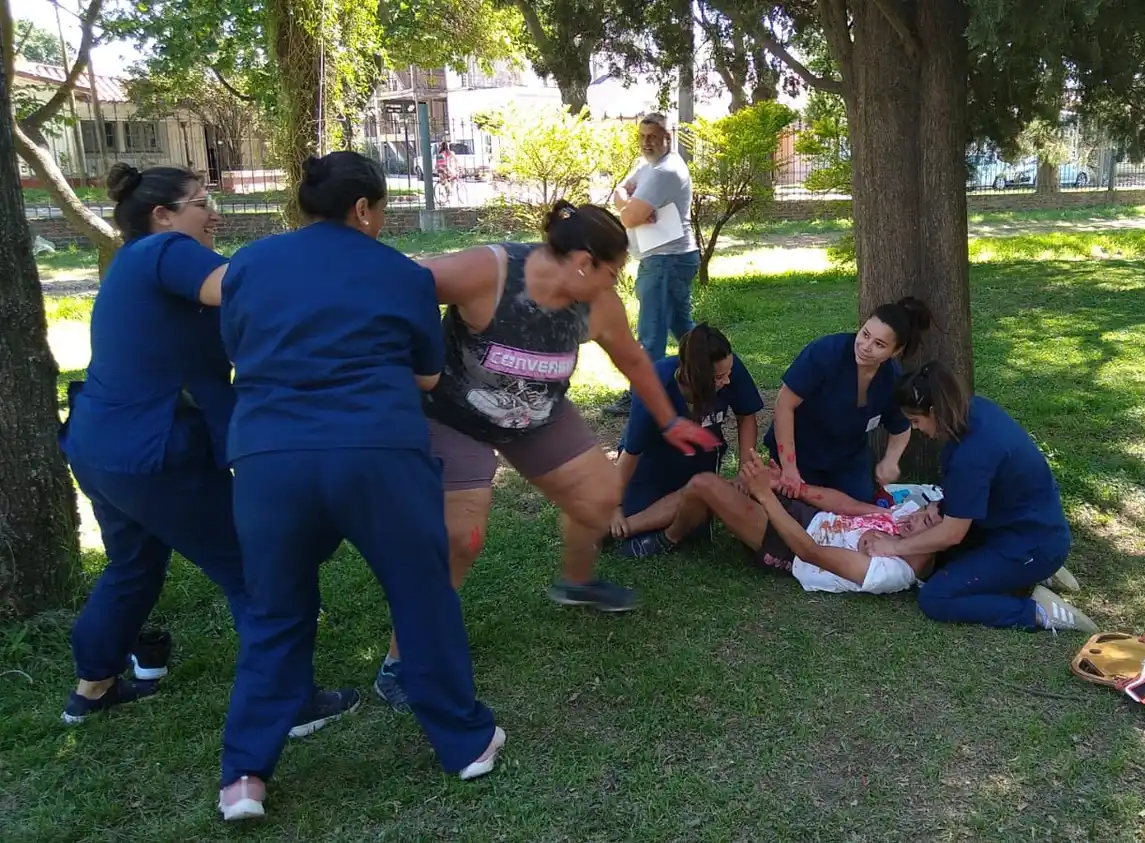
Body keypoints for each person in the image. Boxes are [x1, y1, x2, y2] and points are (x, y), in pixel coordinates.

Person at [216, 151, 503, 821]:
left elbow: (238, 349)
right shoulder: (402, 274)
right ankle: (465, 743)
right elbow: (428, 376)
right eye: (383, 211)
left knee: (275, 608)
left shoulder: (249, 264)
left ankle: (244, 778)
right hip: (377, 452)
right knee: (421, 596)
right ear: (363, 209)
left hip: (269, 456)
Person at [369, 202, 721, 710]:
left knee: (601, 496)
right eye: (612, 271)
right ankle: (399, 663)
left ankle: (577, 582)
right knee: (461, 539)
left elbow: (632, 360)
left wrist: (669, 420)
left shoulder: (599, 305)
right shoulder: (490, 271)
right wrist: (405, 362)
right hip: (451, 416)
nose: (615, 283)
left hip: (537, 414)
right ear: (582, 262)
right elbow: (399, 285)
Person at [57, 163, 349, 737]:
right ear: (162, 216)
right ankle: (288, 703)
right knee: (254, 570)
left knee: (133, 565)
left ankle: (93, 687)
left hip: (102, 447)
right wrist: (329, 253)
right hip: (156, 453)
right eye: (200, 203)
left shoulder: (137, 264)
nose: (214, 215)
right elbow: (240, 285)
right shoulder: (163, 249)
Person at [862, 361, 1094, 633]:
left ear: (934, 411)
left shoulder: (972, 455)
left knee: (937, 597)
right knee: (937, 555)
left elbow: (951, 534)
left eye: (916, 421)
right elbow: (977, 490)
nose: (916, 429)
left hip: (1033, 544)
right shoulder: (975, 410)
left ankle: (1037, 610)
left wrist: (894, 547)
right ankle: (1030, 571)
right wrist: (937, 509)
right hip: (1026, 524)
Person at [646, 463, 942, 595]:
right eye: (923, 510)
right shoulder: (904, 521)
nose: (915, 516)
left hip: (791, 545)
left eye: (926, 520)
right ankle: (627, 524)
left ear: (940, 539)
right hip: (808, 516)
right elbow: (849, 505)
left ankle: (667, 538)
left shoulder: (889, 572)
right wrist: (790, 487)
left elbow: (809, 552)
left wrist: (764, 495)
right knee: (732, 484)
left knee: (705, 485)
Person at [612, 324, 764, 557]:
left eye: (729, 373)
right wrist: (614, 505)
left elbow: (747, 416)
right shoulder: (654, 383)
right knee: (628, 513)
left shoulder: (729, 369)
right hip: (653, 461)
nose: (728, 381)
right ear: (695, 376)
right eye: (719, 378)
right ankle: (615, 524)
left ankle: (636, 531)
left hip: (699, 461)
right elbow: (632, 452)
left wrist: (745, 472)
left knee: (698, 509)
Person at [765, 297, 932, 504]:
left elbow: (901, 425)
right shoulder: (825, 353)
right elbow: (783, 404)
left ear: (895, 351)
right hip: (801, 449)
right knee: (800, 509)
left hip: (848, 457)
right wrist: (789, 467)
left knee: (859, 508)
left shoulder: (892, 379)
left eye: (879, 344)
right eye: (865, 334)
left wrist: (891, 460)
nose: (865, 346)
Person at [605, 112, 700, 415]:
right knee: (684, 330)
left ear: (667, 138)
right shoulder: (648, 166)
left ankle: (641, 398)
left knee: (651, 334)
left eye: (653, 137)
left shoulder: (664, 171)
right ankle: (711, 375)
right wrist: (628, 205)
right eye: (642, 137)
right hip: (669, 258)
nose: (646, 142)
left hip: (665, 260)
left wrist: (630, 211)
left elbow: (629, 218)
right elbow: (619, 191)